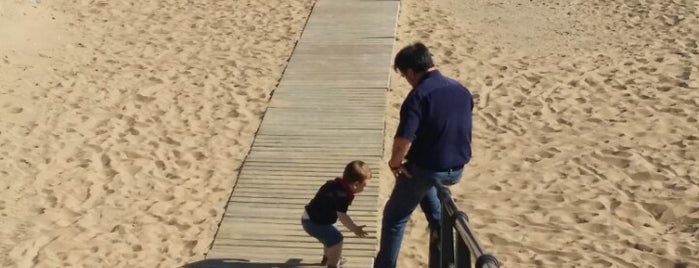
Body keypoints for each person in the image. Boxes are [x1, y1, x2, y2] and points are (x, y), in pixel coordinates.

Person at [373, 42, 474, 268]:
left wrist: (394, 164)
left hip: (429, 168)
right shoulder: (460, 89)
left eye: (404, 75)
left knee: (394, 218)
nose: (407, 80)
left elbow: (403, 140)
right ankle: (439, 233)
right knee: (425, 187)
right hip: (457, 168)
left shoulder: (418, 96)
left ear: (411, 71)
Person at [302, 160, 372, 268]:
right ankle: (332, 264)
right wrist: (355, 228)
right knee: (337, 240)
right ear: (355, 184)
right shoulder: (342, 196)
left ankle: (327, 258)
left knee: (330, 235)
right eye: (364, 186)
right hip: (315, 223)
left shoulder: (333, 184)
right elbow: (343, 217)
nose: (365, 188)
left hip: (308, 217)